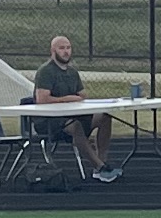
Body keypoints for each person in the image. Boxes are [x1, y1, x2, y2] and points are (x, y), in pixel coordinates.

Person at [30, 31, 105, 178]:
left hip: (72, 116)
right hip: (50, 122)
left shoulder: (72, 72)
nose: (66, 52)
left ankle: (102, 161)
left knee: (104, 117)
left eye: (68, 48)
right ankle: (100, 166)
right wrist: (68, 98)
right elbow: (42, 99)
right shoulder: (45, 71)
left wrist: (76, 98)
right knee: (75, 126)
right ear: (53, 51)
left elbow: (82, 94)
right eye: (61, 48)